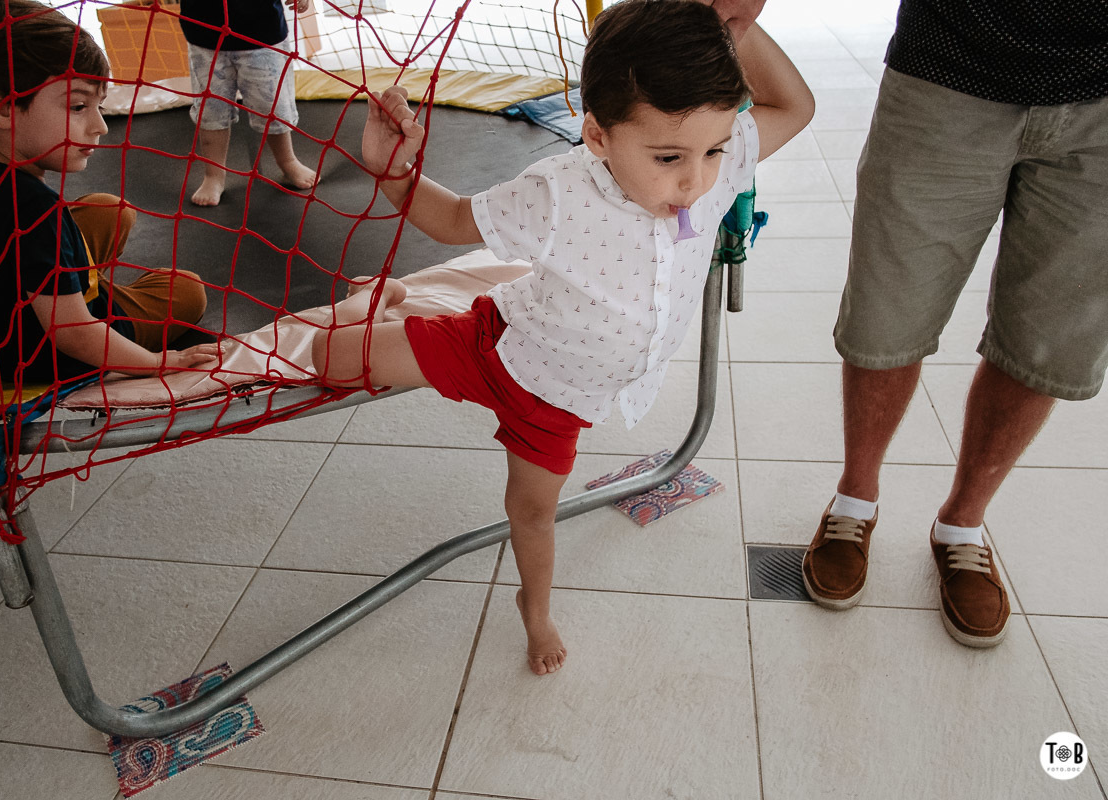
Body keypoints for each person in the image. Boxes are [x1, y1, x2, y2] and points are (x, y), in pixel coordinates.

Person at [311, 0, 814, 675]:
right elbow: (457, 219)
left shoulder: (710, 175)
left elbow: (796, 106)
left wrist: (733, 32)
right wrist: (395, 170)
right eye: (668, 156)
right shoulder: (559, 191)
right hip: (502, 346)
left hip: (558, 399)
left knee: (532, 512)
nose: (695, 179)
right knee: (327, 360)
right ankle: (384, 299)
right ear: (598, 137)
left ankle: (535, 608)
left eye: (715, 149)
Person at [800, 1, 1108, 647]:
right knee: (886, 312)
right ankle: (854, 503)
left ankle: (962, 526)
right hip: (950, 64)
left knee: (1045, 340)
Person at [0, 0, 218, 386]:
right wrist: (157, 362)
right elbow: (74, 333)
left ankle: (83, 280)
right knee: (187, 288)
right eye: (79, 106)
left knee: (110, 210)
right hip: (52, 355)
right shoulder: (35, 211)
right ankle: (93, 292)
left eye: (97, 106)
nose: (100, 125)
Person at [179, 0, 318, 206]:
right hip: (205, 37)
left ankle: (287, 161)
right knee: (211, 112)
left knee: (273, 108)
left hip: (262, 34)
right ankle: (214, 174)